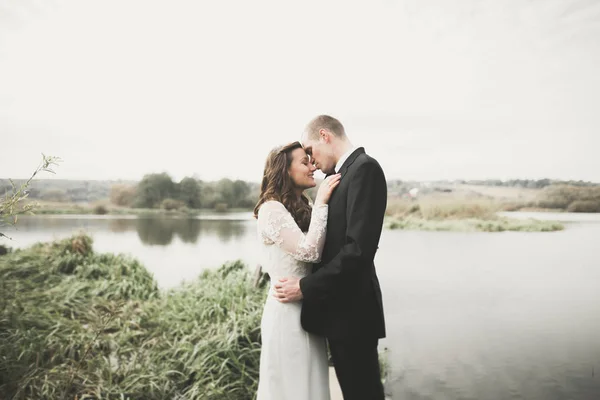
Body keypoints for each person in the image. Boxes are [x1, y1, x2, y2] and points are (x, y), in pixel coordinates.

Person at [273, 115, 387, 400]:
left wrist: (304, 287)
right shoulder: (342, 175)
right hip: (339, 312)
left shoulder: (365, 169)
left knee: (364, 393)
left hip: (354, 314)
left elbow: (357, 251)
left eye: (310, 151)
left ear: (325, 136)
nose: (311, 161)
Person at [254, 141, 341, 400]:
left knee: (311, 384)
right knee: (290, 386)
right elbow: (310, 252)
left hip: (308, 310)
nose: (313, 166)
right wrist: (323, 201)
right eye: (305, 162)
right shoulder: (271, 209)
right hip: (286, 313)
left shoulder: (302, 206)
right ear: (285, 171)